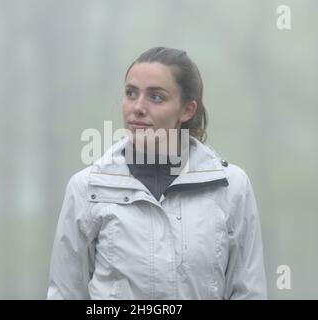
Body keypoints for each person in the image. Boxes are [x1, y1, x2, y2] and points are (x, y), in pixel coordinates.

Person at [47, 47, 267, 299]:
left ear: (187, 110)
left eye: (156, 97)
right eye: (131, 93)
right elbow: (65, 293)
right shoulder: (87, 188)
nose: (138, 107)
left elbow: (248, 292)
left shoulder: (230, 187)